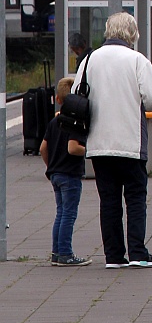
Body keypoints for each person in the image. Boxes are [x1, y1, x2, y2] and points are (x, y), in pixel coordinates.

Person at [74, 12, 152, 269]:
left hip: (99, 143)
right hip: (130, 143)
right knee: (135, 196)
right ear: (132, 33)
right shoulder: (136, 60)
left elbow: (75, 93)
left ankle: (114, 256)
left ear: (107, 31)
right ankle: (138, 251)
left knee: (109, 199)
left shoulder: (89, 60)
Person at [41, 75, 89, 266]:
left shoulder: (55, 121)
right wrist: (90, 150)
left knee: (60, 213)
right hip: (70, 174)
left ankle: (56, 252)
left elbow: (43, 148)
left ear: (58, 100)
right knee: (69, 214)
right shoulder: (74, 122)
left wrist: (50, 166)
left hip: (55, 173)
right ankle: (66, 254)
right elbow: (72, 148)